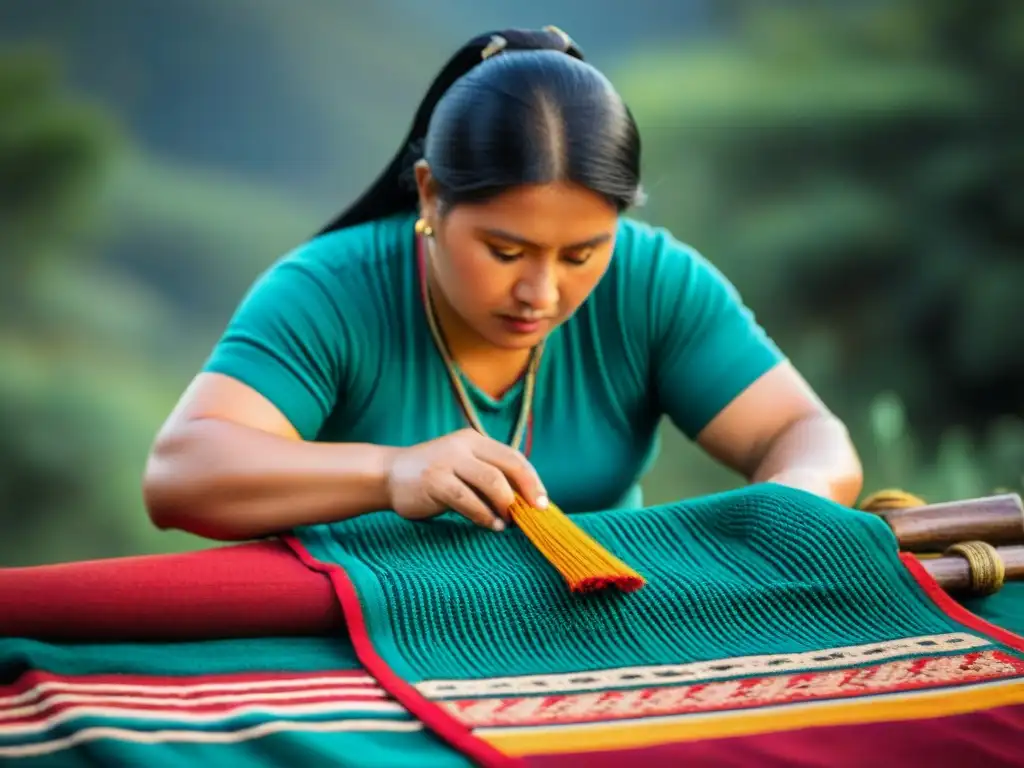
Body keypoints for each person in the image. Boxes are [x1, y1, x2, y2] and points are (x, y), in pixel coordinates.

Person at [142, 27, 863, 542]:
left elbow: (804, 435)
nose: (541, 294)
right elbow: (181, 475)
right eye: (505, 249)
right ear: (429, 195)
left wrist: (785, 513)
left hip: (593, 633)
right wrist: (393, 473)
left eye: (582, 254)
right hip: (360, 642)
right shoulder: (329, 292)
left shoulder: (654, 281)